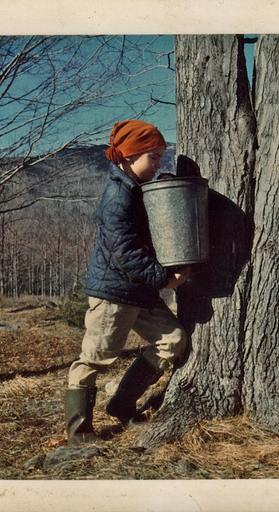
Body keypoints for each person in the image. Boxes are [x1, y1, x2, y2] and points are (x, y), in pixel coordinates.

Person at [65, 120, 191, 447]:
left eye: (161, 156)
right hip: (115, 295)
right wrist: (166, 279)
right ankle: (79, 435)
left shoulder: (136, 191)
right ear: (129, 157)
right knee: (94, 359)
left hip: (138, 292)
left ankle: (121, 404)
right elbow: (128, 255)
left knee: (174, 340)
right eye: (153, 157)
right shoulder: (118, 199)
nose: (159, 163)